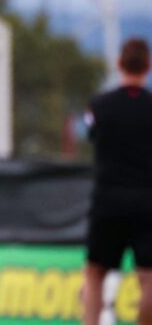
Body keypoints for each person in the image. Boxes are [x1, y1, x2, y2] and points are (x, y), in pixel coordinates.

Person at [82, 37, 152, 325]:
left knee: (94, 273)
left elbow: (91, 136)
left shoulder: (99, 106)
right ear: (148, 67)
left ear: (118, 64)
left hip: (108, 200)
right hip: (148, 202)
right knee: (148, 278)